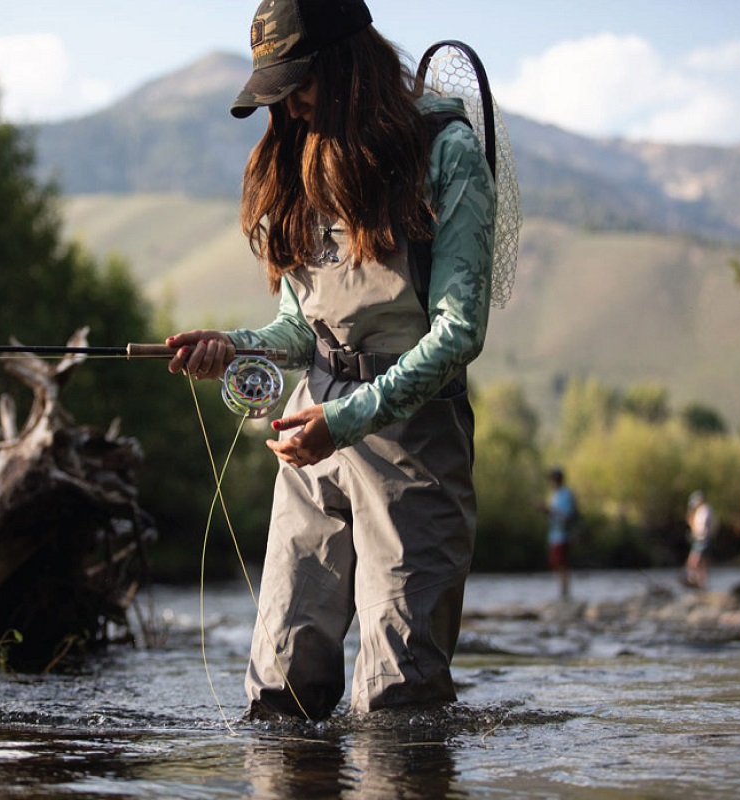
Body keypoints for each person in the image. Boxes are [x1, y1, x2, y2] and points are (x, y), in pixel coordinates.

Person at [166, 0, 494, 720]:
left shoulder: (446, 151)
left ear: (349, 63)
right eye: (276, 90)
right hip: (309, 432)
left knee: (396, 706)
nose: (287, 105)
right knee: (279, 689)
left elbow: (459, 332)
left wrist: (346, 420)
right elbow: (299, 325)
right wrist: (233, 348)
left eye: (298, 83)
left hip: (415, 444)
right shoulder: (300, 155)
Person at [539, 467, 577, 600]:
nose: (551, 482)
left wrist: (549, 510)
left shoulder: (566, 494)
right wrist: (546, 511)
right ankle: (563, 593)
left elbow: (566, 516)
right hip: (554, 536)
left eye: (552, 479)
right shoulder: (554, 495)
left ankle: (565, 594)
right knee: (557, 565)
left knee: (562, 565)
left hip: (563, 535)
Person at [684, 490, 715, 589]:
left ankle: (695, 581)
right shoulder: (701, 511)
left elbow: (701, 528)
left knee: (693, 562)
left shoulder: (705, 511)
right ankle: (700, 582)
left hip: (702, 539)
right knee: (701, 562)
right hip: (701, 539)